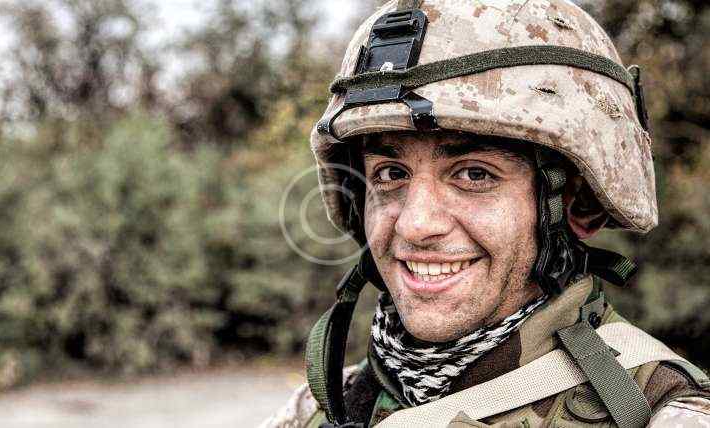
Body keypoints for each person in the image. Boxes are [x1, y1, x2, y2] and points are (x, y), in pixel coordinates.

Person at [262, 0, 710, 426]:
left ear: (579, 205)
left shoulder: (658, 413)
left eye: (474, 174)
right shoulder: (322, 407)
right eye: (391, 174)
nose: (416, 225)